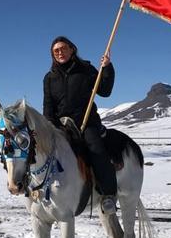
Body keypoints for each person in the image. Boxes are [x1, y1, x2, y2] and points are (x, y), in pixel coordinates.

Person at [43, 36, 118, 215]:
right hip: (62, 126)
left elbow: (105, 91)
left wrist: (107, 68)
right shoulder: (49, 77)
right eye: (56, 51)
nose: (60, 52)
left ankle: (108, 196)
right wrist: (51, 127)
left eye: (63, 48)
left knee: (96, 149)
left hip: (86, 123)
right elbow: (48, 106)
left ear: (72, 49)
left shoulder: (86, 70)